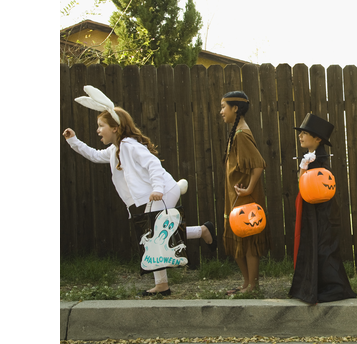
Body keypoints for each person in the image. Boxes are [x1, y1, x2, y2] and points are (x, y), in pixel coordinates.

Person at [63, 85, 216, 297]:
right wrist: (73, 141)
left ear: (115, 128)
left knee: (152, 236)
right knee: (154, 235)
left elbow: (153, 164)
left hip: (161, 191)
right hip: (157, 193)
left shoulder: (129, 145)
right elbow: (95, 155)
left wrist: (157, 189)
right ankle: (201, 231)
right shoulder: (115, 148)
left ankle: (163, 283)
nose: (98, 130)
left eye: (101, 126)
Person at [289, 113, 357, 304]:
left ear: (317, 138)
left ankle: (335, 288)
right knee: (315, 246)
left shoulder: (320, 160)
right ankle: (317, 286)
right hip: (313, 210)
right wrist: (303, 167)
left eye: (304, 133)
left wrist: (305, 168)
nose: (300, 136)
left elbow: (316, 186)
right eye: (300, 133)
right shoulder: (310, 158)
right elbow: (302, 185)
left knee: (324, 249)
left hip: (323, 211)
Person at [220, 91, 271, 295]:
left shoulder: (241, 134)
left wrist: (249, 189)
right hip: (236, 196)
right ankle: (246, 284)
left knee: (248, 242)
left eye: (224, 107)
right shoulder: (237, 132)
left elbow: (258, 164)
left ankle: (252, 286)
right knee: (237, 239)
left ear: (235, 109)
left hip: (245, 198)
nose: (221, 111)